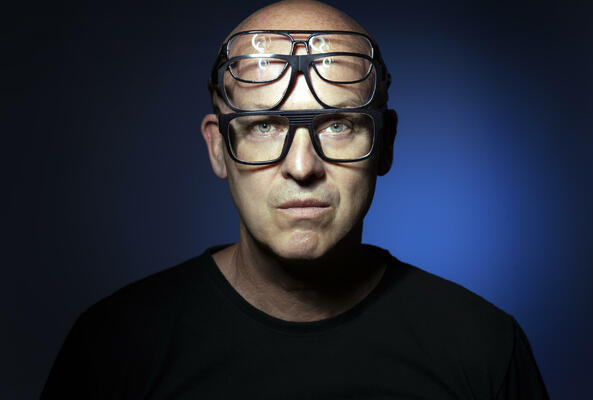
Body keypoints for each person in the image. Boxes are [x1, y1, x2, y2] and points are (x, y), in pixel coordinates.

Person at [42, 1, 549, 398]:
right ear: (218, 148)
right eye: (264, 125)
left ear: (386, 144)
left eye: (338, 124)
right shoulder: (111, 348)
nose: (302, 167)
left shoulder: (482, 347)